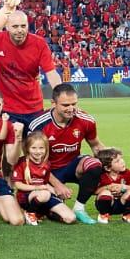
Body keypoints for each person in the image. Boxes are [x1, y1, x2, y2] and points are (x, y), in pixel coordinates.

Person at [27, 84, 109, 226]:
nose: (71, 109)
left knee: (94, 165)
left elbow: (96, 145)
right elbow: (34, 162)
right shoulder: (38, 125)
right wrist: (58, 185)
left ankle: (79, 208)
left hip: (73, 166)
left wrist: (112, 169)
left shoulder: (86, 120)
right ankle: (47, 208)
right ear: (53, 103)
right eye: (65, 105)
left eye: (73, 104)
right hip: (46, 172)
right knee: (62, 216)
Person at [0, 11, 61, 123]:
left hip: (34, 108)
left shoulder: (39, 44)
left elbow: (51, 73)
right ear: (7, 27)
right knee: (9, 141)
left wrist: (60, 95)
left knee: (36, 141)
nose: (19, 30)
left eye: (23, 26)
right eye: (15, 26)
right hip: (5, 108)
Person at [15, 132, 74, 225]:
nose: (38, 151)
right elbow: (18, 185)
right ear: (27, 149)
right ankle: (30, 213)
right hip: (26, 196)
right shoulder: (22, 162)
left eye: (41, 148)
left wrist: (56, 192)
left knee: (70, 218)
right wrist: (37, 188)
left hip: (43, 195)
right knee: (45, 194)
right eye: (33, 148)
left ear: (46, 149)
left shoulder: (47, 164)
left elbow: (45, 183)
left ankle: (45, 213)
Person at [94, 149, 130, 224]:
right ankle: (103, 214)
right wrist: (107, 187)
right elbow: (94, 191)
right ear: (107, 168)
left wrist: (123, 187)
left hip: (122, 203)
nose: (122, 161)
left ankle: (127, 215)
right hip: (107, 204)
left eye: (121, 158)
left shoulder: (127, 172)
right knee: (105, 193)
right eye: (117, 161)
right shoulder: (101, 175)